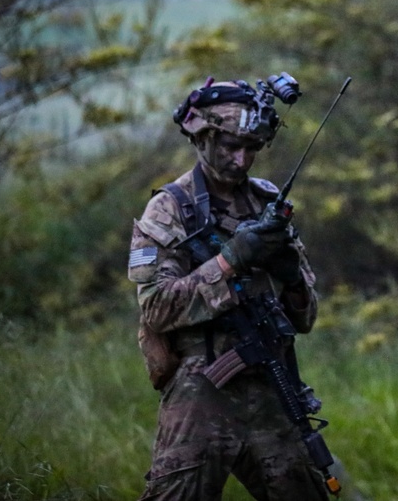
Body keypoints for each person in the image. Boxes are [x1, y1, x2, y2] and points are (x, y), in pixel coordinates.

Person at [127, 77, 334, 500]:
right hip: (200, 388)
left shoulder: (267, 203)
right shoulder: (169, 209)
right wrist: (229, 261)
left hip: (269, 382)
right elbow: (157, 309)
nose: (242, 160)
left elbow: (306, 317)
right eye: (230, 147)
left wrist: (290, 274)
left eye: (252, 149)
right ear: (202, 139)